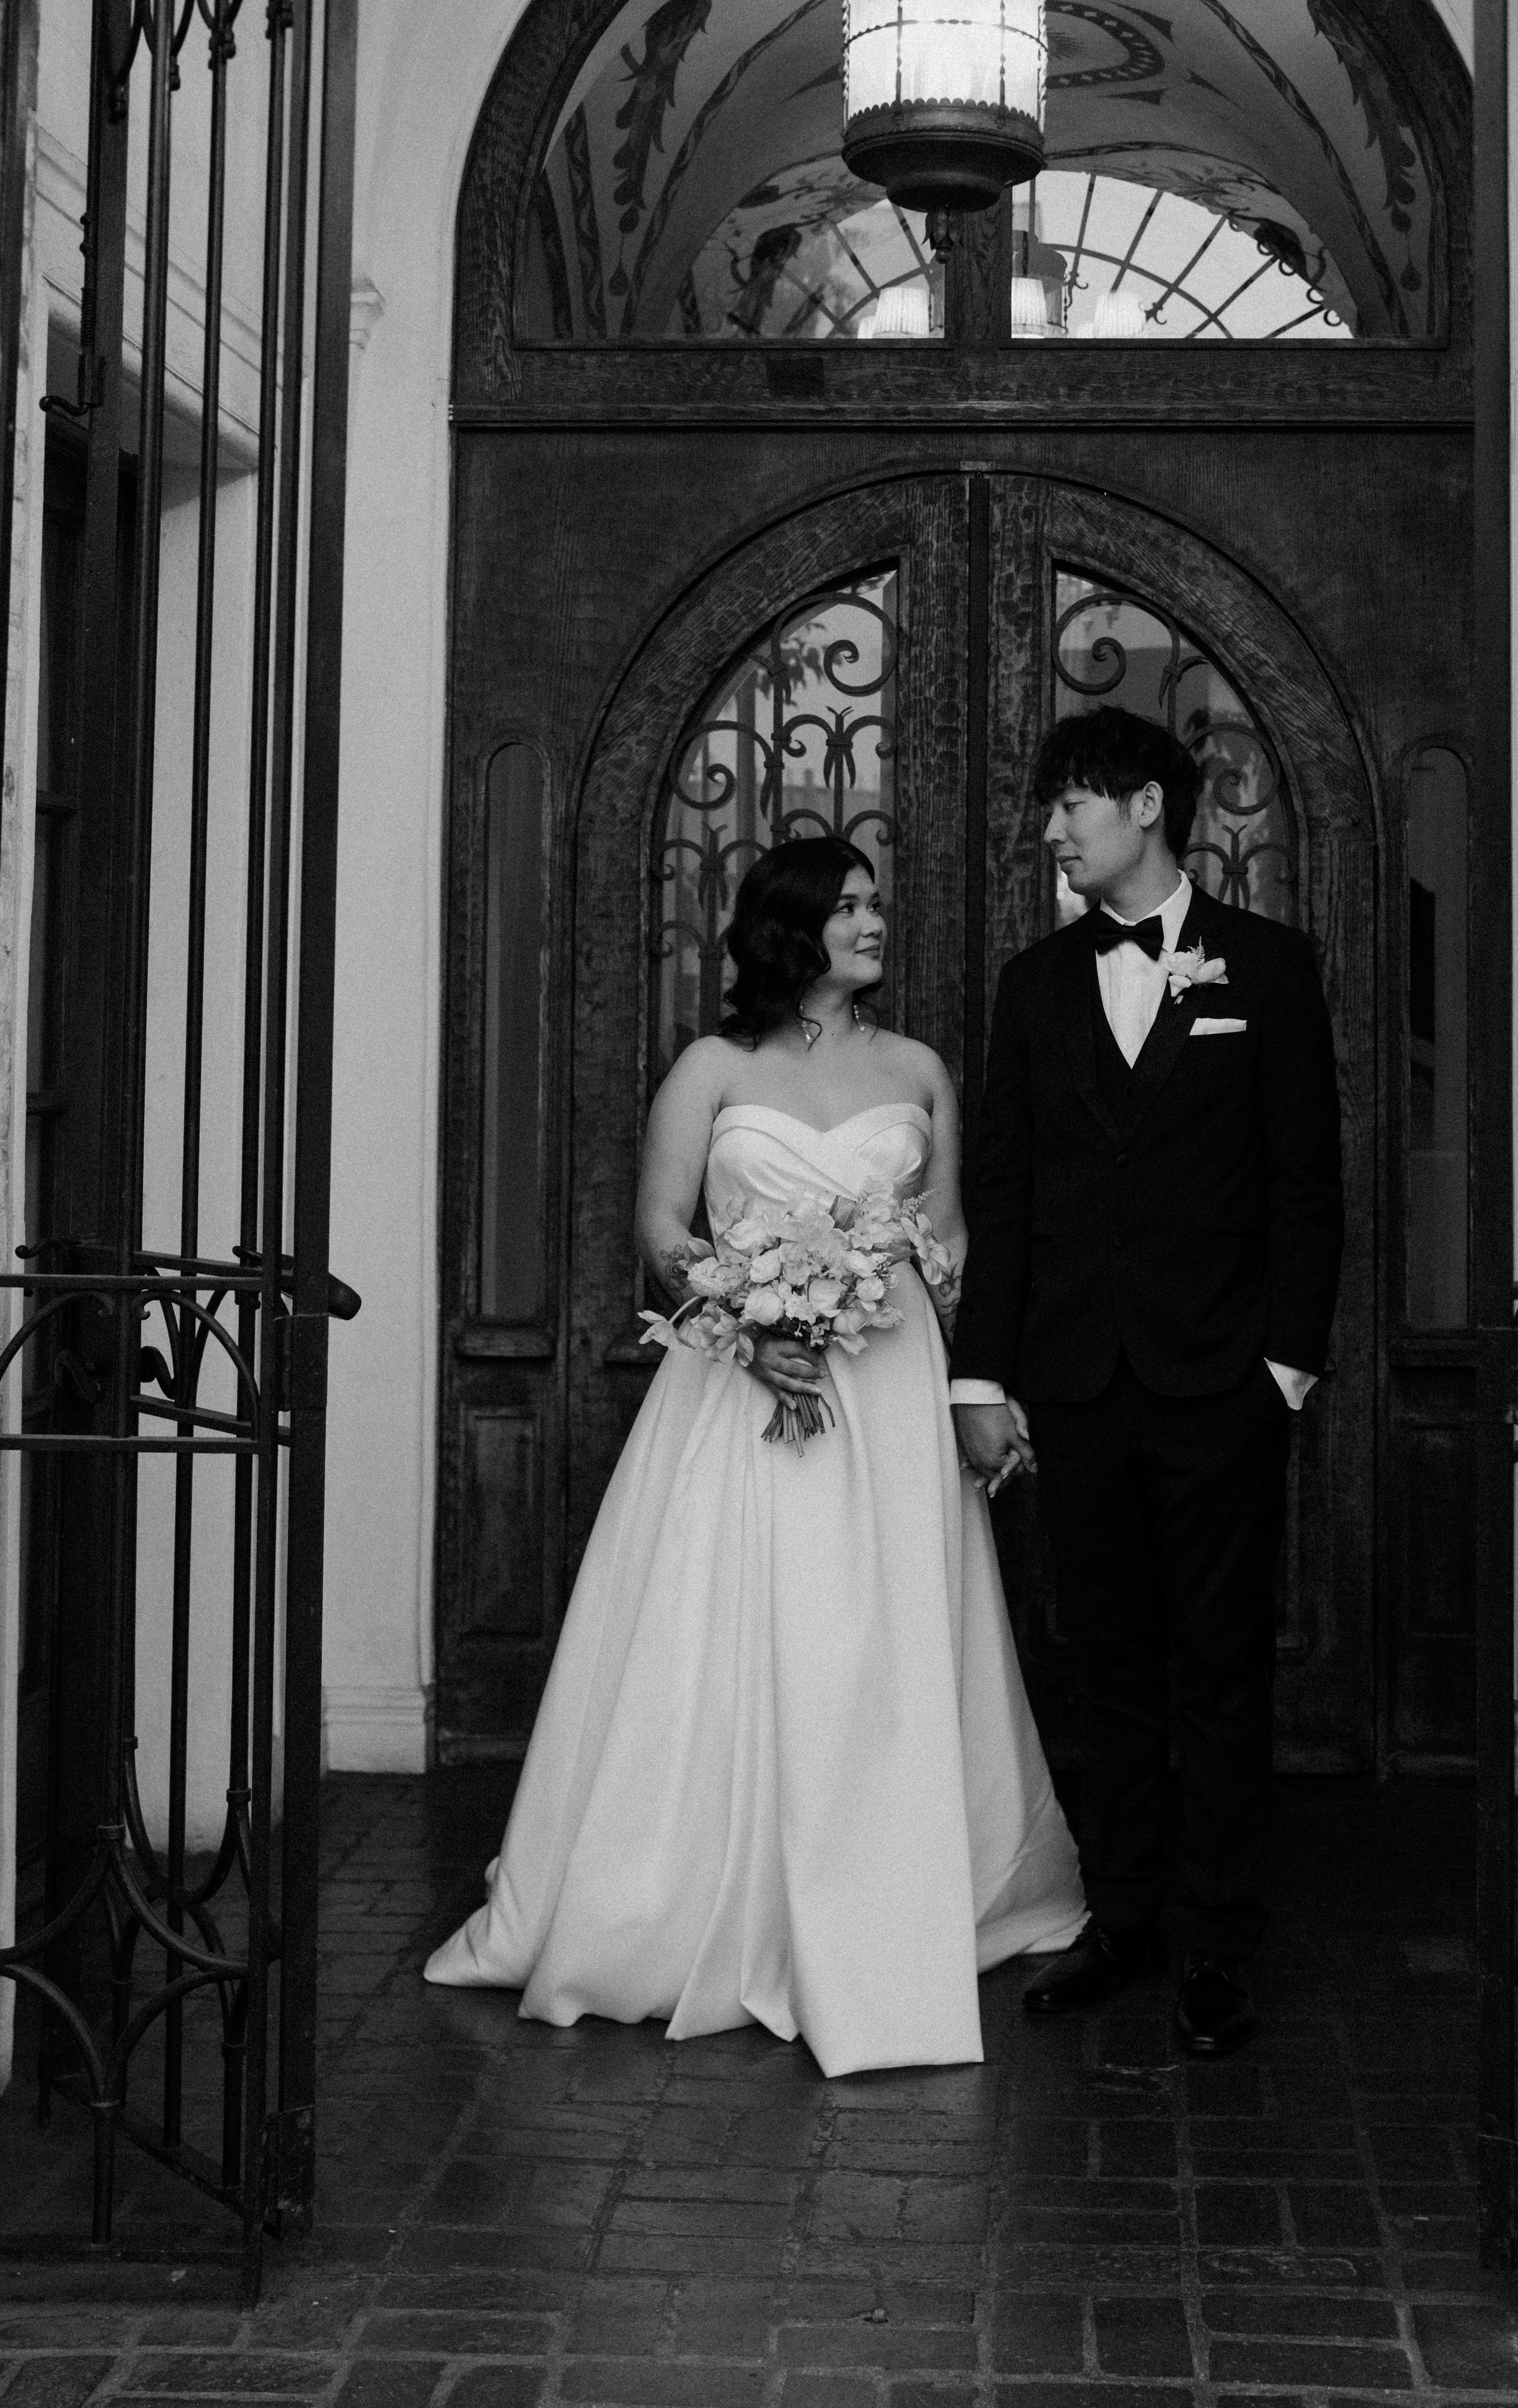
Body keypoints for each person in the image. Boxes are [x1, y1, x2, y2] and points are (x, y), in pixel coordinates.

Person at [425, 834, 1084, 2074]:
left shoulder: (919, 1068)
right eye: (848, 907)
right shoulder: (712, 1068)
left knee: (881, 1630)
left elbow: (949, 1240)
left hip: (888, 1387)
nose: (873, 922)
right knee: (729, 1619)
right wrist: (748, 1316)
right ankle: (691, 1897)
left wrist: (962, 1371)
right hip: (741, 1388)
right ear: (791, 929)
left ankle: (886, 1887)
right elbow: (660, 1227)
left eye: (876, 902)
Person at [950, 706, 1343, 2057]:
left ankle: (1217, 1940)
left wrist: (1283, 1370)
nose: (1050, 830)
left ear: (1146, 809)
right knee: (1103, 1659)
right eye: (1050, 807)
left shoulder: (1268, 968)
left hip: (1221, 1381)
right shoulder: (1033, 984)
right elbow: (1004, 1190)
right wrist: (979, 1377)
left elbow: (1306, 1184)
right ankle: (1120, 1919)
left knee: (1219, 1666)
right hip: (1075, 1381)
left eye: (1070, 804)